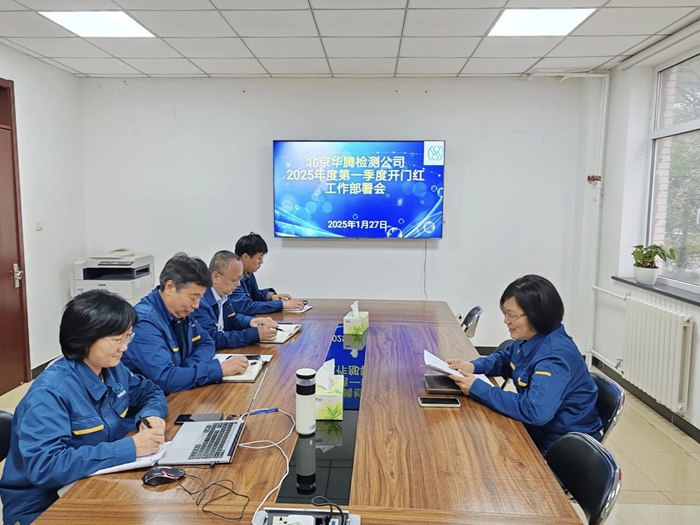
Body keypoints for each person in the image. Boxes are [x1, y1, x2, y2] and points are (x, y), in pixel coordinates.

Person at [0, 290, 168, 525]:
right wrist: (129, 447)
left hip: (92, 482)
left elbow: (150, 391)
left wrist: (150, 415)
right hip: (44, 507)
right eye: (117, 340)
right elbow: (46, 467)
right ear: (85, 338)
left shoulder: (112, 368)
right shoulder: (49, 393)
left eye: (127, 337)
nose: (124, 348)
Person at [447, 275, 602, 453]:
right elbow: (504, 360)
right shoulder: (531, 338)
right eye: (505, 313)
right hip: (537, 431)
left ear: (537, 315)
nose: (506, 320)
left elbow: (535, 411)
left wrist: (478, 388)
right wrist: (473, 366)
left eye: (512, 315)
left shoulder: (553, 357)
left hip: (561, 447)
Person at [121, 253, 249, 394]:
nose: (196, 305)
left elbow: (207, 342)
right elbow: (166, 379)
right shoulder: (144, 323)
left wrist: (186, 369)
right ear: (170, 287)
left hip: (179, 392)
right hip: (153, 401)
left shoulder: (181, 311)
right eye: (193, 297)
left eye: (200, 298)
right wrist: (218, 369)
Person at [193, 250, 279, 348]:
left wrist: (251, 321)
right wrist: (254, 334)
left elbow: (231, 318)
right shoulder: (199, 302)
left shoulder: (224, 295)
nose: (238, 284)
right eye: (235, 279)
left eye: (240, 279)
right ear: (215, 277)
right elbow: (213, 338)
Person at [229, 232, 304, 315]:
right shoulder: (232, 277)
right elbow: (246, 306)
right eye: (259, 258)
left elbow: (255, 296)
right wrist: (282, 304)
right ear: (246, 257)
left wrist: (271, 296)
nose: (261, 262)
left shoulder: (248, 273)